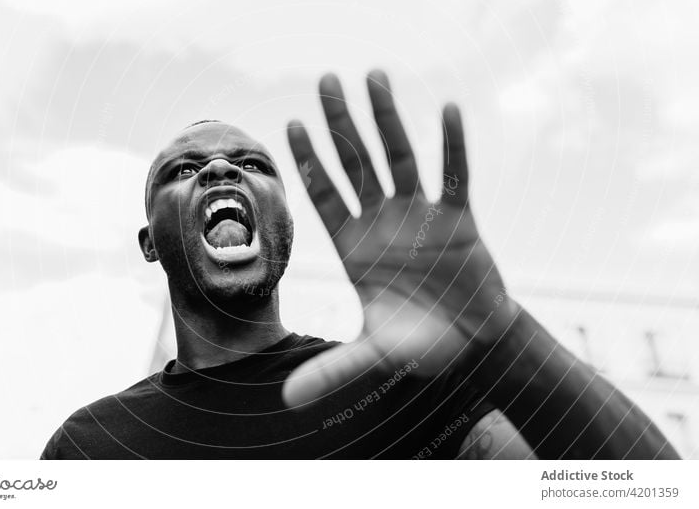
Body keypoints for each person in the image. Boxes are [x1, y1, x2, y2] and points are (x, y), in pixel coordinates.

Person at [40, 70, 678, 459]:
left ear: (285, 223)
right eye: (182, 171)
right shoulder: (93, 446)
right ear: (150, 241)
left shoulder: (399, 397)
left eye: (254, 164)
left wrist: (501, 337)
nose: (219, 168)